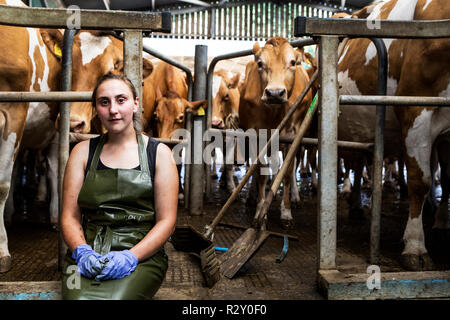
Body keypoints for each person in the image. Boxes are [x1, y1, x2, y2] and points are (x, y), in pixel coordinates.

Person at [60, 73, 178, 300]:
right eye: (104, 102)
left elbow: (167, 222)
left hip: (143, 256)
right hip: (85, 254)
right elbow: (69, 218)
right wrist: (81, 252)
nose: (113, 109)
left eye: (121, 100)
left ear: (135, 104)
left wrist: (131, 257)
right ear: (96, 108)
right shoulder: (82, 152)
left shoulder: (158, 153)